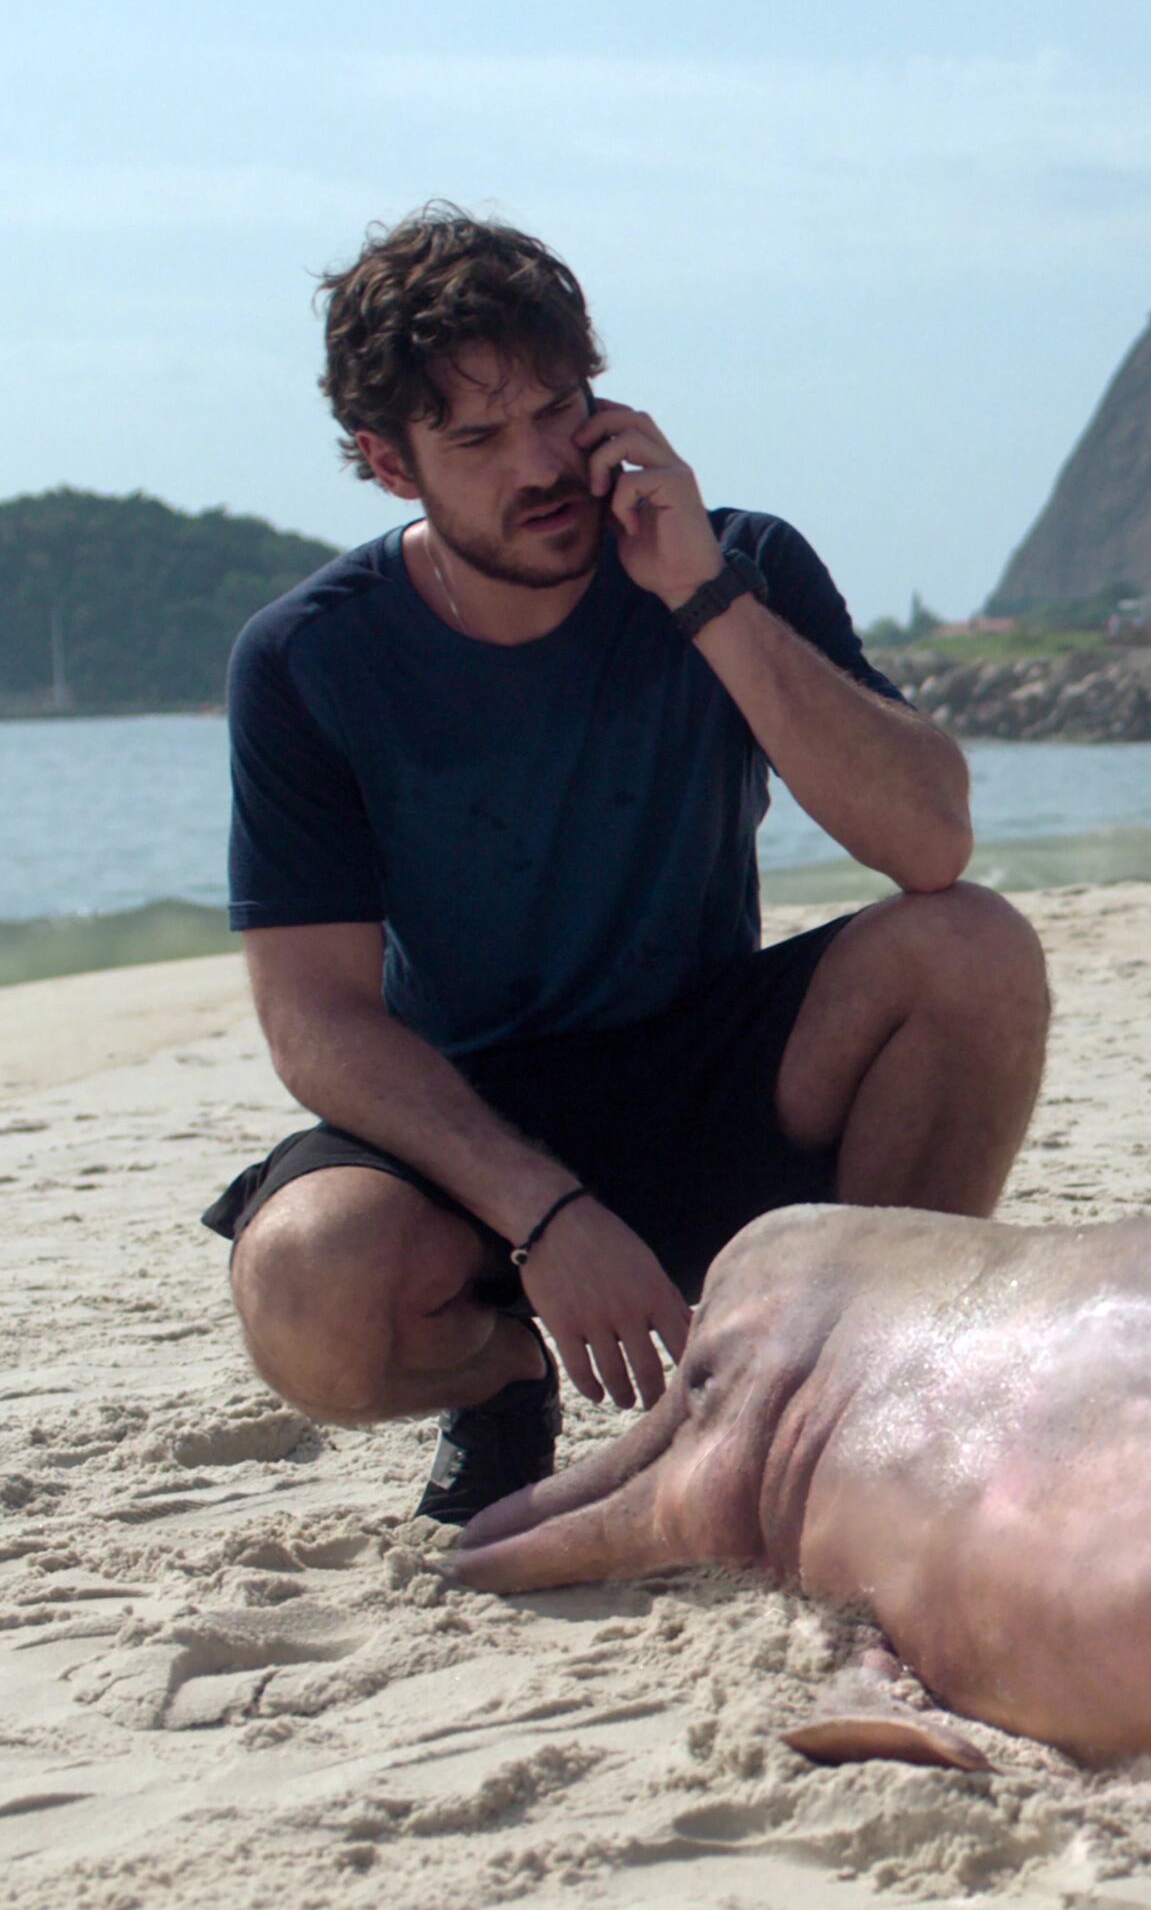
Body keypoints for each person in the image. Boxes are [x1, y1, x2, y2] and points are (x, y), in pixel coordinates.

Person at [202, 205, 1051, 1524]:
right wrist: (545, 1215)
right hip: (476, 1125)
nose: (541, 464)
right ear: (387, 463)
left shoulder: (739, 562)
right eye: (478, 439)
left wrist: (703, 597)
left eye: (559, 410)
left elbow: (929, 842)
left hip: (715, 1072)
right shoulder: (309, 661)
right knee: (306, 1287)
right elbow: (314, 1018)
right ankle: (504, 1381)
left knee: (973, 949)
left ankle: (856, 1373)